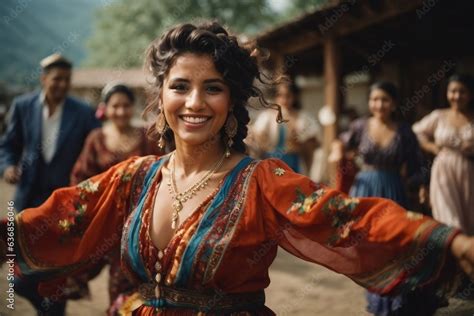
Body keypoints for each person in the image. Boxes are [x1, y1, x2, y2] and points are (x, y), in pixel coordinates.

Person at [2, 22, 474, 316]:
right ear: (161, 96)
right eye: (180, 86)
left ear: (231, 103)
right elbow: (58, 217)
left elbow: (347, 218)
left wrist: (448, 239)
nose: (193, 103)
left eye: (212, 88)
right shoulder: (135, 177)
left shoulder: (260, 182)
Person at [0, 53, 100, 315]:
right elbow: (9, 145)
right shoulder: (23, 106)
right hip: (28, 200)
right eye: (56, 79)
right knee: (20, 270)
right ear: (44, 79)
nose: (61, 85)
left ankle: (53, 308)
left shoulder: (83, 113)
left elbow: (98, 147)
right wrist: (8, 166)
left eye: (67, 80)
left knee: (56, 269)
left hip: (64, 205)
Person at [335, 81, 437, 315]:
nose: (379, 104)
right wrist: (337, 152)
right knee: (369, 250)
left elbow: (416, 166)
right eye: (374, 99)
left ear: (394, 103)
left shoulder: (404, 131)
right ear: (369, 102)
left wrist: (421, 186)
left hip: (393, 192)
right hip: (364, 192)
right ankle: (379, 301)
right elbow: (340, 143)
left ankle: (394, 300)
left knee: (394, 248)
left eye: (385, 100)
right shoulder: (359, 126)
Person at [413, 74, 474, 235]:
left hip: (468, 172)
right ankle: (449, 255)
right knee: (448, 217)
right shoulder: (439, 116)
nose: (457, 96)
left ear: (470, 94)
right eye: (452, 91)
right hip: (443, 170)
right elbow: (416, 131)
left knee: (468, 217)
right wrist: (431, 146)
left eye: (462, 91)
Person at [250, 81, 320, 174]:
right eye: (280, 95)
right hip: (271, 160)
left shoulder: (303, 117)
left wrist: (301, 141)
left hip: (294, 162)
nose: (284, 100)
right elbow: (256, 136)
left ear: (294, 97)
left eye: (288, 96)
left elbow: (314, 140)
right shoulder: (267, 117)